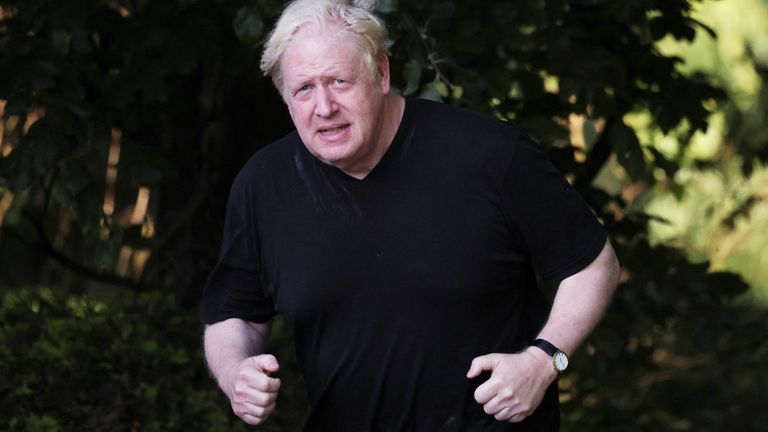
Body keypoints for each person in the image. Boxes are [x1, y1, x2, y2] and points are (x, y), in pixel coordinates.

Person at [202, 0, 620, 430]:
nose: (323, 107)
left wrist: (544, 359)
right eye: (303, 89)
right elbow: (232, 314)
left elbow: (593, 265)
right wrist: (235, 372)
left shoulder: (489, 155)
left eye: (339, 81)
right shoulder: (264, 186)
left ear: (381, 73)